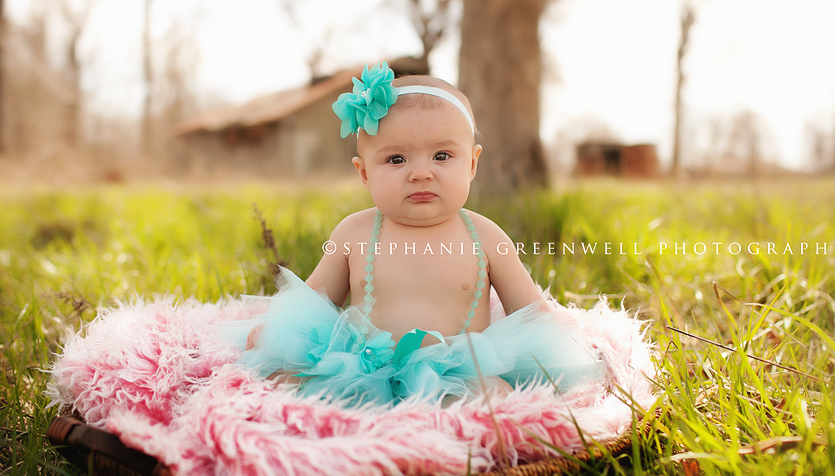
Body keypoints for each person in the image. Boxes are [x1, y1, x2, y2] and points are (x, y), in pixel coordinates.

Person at [224, 63, 603, 406]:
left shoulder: (485, 236)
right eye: (396, 159)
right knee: (282, 384)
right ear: (364, 173)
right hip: (360, 367)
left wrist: (564, 336)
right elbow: (312, 299)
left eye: (441, 156)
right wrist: (276, 330)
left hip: (454, 371)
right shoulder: (354, 231)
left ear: (471, 163)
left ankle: (448, 451)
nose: (420, 173)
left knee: (495, 398)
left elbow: (532, 310)